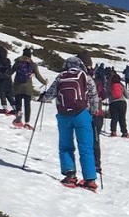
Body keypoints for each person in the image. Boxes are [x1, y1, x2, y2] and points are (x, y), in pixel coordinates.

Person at [42, 51, 101, 190]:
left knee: (65, 146)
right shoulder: (85, 77)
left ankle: (70, 175)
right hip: (82, 114)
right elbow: (94, 96)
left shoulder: (61, 76)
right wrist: (92, 112)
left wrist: (43, 97)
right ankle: (90, 180)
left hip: (63, 115)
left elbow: (50, 94)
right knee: (86, 147)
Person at [11, 48, 46, 128]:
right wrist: (45, 82)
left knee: (18, 103)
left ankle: (18, 117)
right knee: (27, 105)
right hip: (28, 87)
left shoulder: (18, 62)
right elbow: (38, 76)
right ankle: (27, 122)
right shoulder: (32, 64)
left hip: (18, 86)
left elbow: (10, 72)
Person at [107, 69, 129, 137]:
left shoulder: (110, 86)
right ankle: (124, 132)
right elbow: (127, 96)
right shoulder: (121, 85)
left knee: (114, 118)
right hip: (122, 103)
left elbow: (107, 95)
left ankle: (113, 132)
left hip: (113, 103)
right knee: (122, 118)